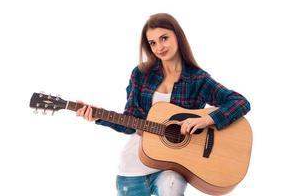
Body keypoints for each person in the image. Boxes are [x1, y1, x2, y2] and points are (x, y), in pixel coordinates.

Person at [76, 13, 250, 196]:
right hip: (132, 169)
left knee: (171, 185)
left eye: (164, 38)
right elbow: (130, 122)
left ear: (178, 36)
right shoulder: (141, 74)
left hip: (172, 169)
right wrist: (98, 116)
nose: (159, 47)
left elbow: (240, 102)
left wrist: (207, 119)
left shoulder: (197, 79)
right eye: (152, 43)